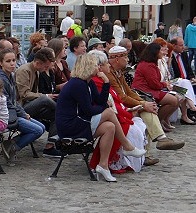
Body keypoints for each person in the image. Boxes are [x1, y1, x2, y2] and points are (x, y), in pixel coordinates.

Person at [55, 53, 145, 182]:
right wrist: (104, 108)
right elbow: (89, 110)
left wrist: (106, 83)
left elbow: (100, 101)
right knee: (108, 112)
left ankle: (103, 165)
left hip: (81, 120)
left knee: (109, 127)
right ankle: (127, 146)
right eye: (96, 65)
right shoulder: (77, 84)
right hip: (71, 125)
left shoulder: (88, 82)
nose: (99, 67)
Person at [106, 45, 185, 165]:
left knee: (149, 110)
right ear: (117, 59)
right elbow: (122, 96)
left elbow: (128, 92)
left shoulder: (118, 72)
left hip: (137, 98)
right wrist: (143, 103)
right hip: (118, 107)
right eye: (126, 56)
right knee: (151, 109)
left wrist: (144, 103)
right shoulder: (110, 73)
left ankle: (154, 145)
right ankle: (159, 140)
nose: (128, 59)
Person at [88, 50, 146, 173]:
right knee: (121, 126)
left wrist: (139, 105)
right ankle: (118, 155)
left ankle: (106, 163)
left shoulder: (108, 77)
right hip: (86, 121)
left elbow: (120, 97)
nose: (108, 65)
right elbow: (99, 104)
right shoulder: (96, 81)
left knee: (141, 119)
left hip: (105, 115)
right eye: (105, 64)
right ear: (99, 67)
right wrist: (129, 112)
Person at [0, 49, 45, 165]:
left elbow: (14, 101)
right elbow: (5, 102)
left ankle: (9, 143)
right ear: (1, 63)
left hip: (13, 111)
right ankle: (12, 148)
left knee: (42, 127)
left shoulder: (10, 76)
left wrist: (23, 112)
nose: (12, 63)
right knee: (37, 130)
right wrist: (23, 114)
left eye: (14, 60)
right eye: (8, 61)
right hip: (4, 115)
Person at [15, 47, 61, 157]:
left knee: (57, 114)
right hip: (21, 107)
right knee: (45, 99)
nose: (46, 69)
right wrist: (45, 96)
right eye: (45, 66)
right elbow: (24, 95)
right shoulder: (24, 70)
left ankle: (50, 146)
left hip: (31, 104)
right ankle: (61, 108)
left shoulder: (37, 71)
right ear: (37, 63)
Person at [154, 38, 196, 125]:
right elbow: (166, 78)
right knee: (184, 86)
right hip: (167, 86)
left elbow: (188, 69)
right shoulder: (160, 62)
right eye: (164, 50)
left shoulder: (181, 56)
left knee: (194, 87)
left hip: (175, 84)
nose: (183, 47)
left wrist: (191, 78)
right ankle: (193, 109)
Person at [132, 43, 179, 127]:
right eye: (160, 50)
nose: (163, 52)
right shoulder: (148, 65)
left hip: (149, 89)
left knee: (177, 98)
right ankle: (158, 121)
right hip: (145, 91)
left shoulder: (150, 64)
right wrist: (165, 85)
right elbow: (154, 84)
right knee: (173, 100)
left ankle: (162, 120)